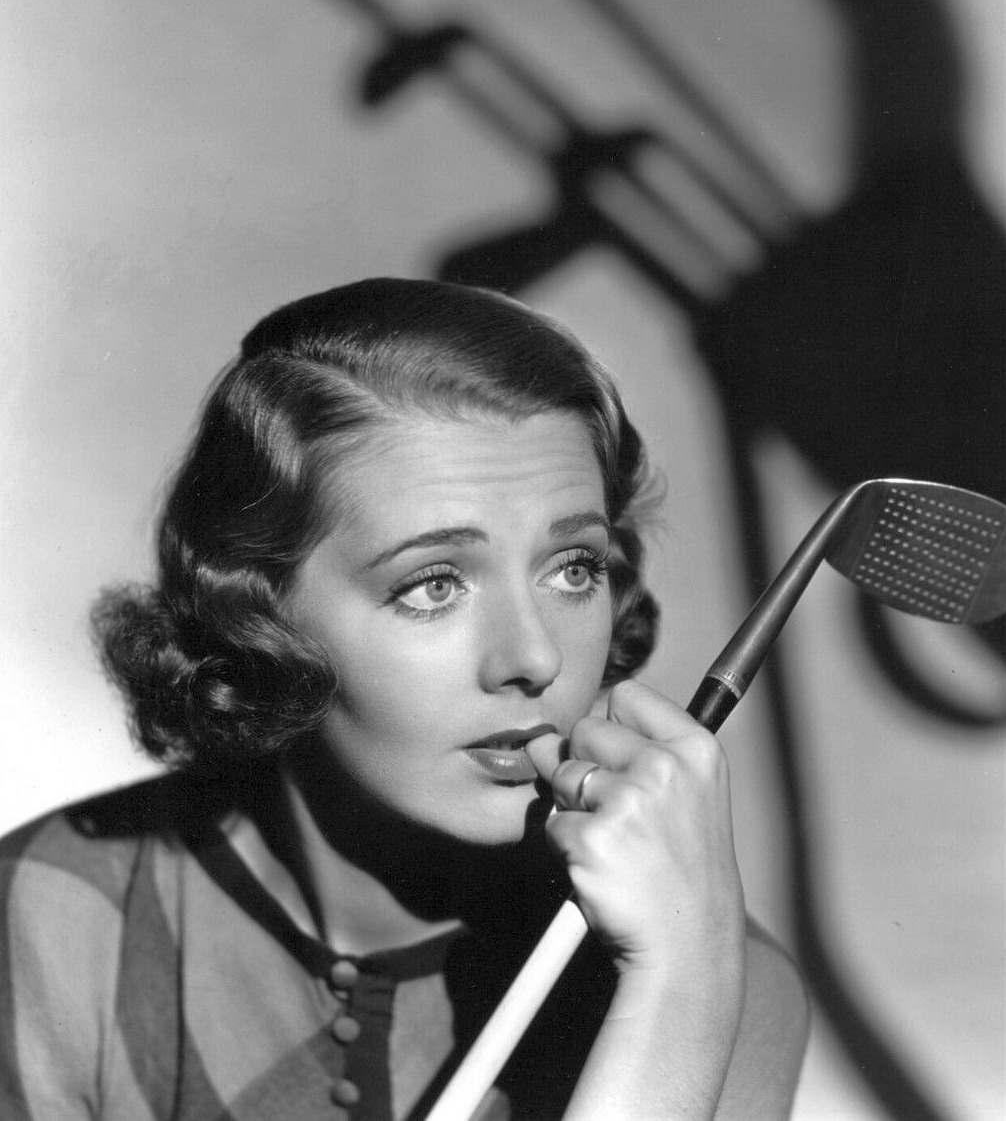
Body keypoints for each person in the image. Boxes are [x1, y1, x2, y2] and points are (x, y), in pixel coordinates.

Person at [0, 277, 811, 1121]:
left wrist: (679, 987)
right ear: (255, 612)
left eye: (574, 568)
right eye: (433, 585)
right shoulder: (60, 920)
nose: (533, 657)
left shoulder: (703, 973)